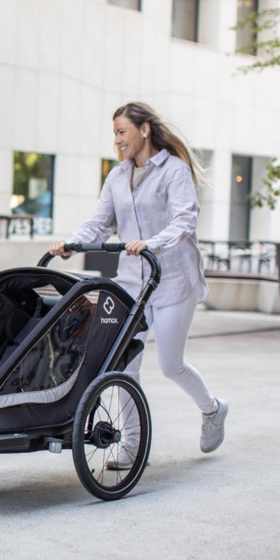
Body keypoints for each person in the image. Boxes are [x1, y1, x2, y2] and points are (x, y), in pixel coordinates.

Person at [49, 101, 228, 467]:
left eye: (122, 132)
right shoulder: (117, 176)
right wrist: (72, 243)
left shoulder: (174, 170)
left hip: (173, 280)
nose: (117, 140)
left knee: (171, 365)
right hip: (132, 282)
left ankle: (213, 409)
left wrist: (152, 244)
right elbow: (100, 222)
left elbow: (185, 220)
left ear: (144, 129)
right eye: (114, 134)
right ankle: (132, 445)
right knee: (124, 363)